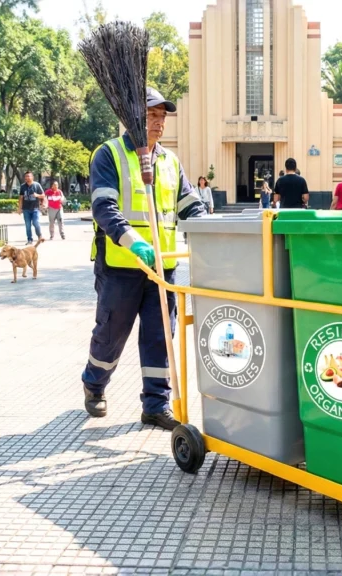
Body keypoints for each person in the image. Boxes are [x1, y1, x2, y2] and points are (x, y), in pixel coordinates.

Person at [81, 87, 206, 430]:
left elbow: (189, 205)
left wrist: (209, 228)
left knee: (160, 337)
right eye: (152, 115)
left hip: (162, 267)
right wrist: (133, 241)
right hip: (121, 265)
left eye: (162, 116)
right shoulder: (109, 154)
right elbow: (103, 207)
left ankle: (155, 404)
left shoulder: (169, 161)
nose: (159, 122)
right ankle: (94, 384)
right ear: (132, 117)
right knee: (111, 334)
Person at [18, 171, 45, 245]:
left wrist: (37, 195)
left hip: (35, 208)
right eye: (26, 176)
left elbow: (43, 195)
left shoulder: (37, 185)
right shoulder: (23, 186)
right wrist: (19, 208)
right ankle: (29, 239)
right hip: (26, 209)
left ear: (32, 177)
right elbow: (21, 197)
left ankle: (40, 236)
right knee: (28, 225)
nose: (27, 178)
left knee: (36, 222)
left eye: (28, 176)